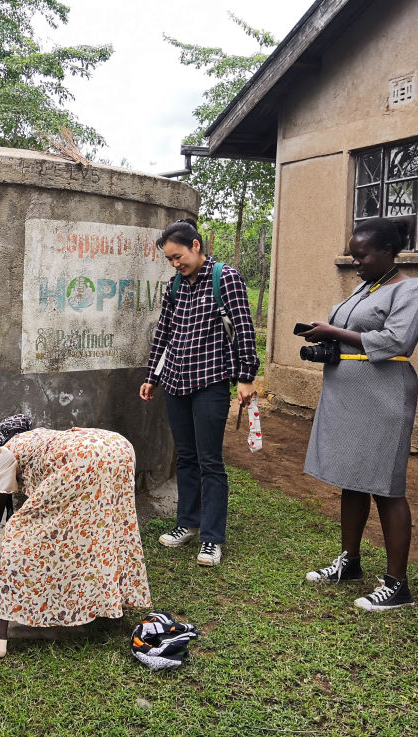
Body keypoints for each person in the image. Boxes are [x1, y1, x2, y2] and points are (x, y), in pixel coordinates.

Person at [300, 217, 418, 611]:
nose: (355, 261)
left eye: (362, 255)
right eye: (352, 255)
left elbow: (397, 340)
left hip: (383, 393)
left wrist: (335, 333)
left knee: (387, 487)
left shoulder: (411, 289)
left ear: (389, 252)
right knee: (352, 478)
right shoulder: (367, 286)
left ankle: (397, 584)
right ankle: (349, 563)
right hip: (349, 391)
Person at [0, 415, 152, 657]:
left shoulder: (8, 451)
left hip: (87, 456)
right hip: (118, 448)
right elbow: (55, 537)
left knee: (19, 532)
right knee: (94, 530)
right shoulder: (42, 440)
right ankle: (106, 603)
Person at [139, 219, 259, 567]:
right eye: (169, 260)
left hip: (211, 382)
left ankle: (211, 538)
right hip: (175, 382)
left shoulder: (226, 278)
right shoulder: (175, 286)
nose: (175, 264)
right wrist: (152, 376)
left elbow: (243, 328)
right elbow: (163, 331)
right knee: (186, 458)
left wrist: (246, 376)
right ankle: (187, 524)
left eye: (178, 257)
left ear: (195, 245)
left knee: (210, 461)